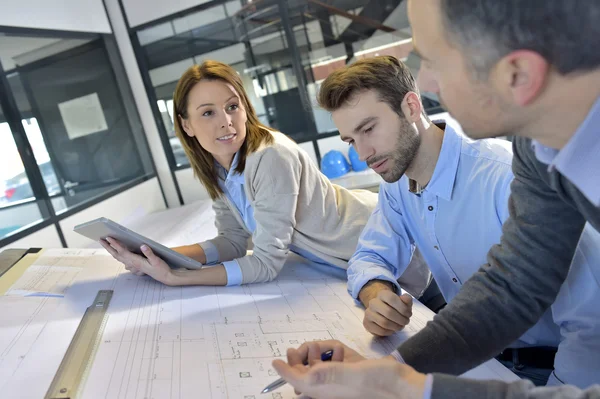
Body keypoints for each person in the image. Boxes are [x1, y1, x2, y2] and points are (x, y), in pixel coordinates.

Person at [272, 0, 600, 396]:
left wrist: (404, 386)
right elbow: (510, 289)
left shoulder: (502, 171)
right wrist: (388, 372)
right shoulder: (537, 154)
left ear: (518, 73)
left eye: (435, 61)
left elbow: (591, 327)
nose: (425, 83)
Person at [100, 60, 429, 292]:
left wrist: (176, 277)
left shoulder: (270, 155)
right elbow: (232, 242)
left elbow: (267, 264)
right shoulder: (218, 166)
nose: (226, 122)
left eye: (232, 106)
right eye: (208, 113)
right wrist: (159, 256)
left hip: (386, 250)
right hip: (353, 262)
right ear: (186, 125)